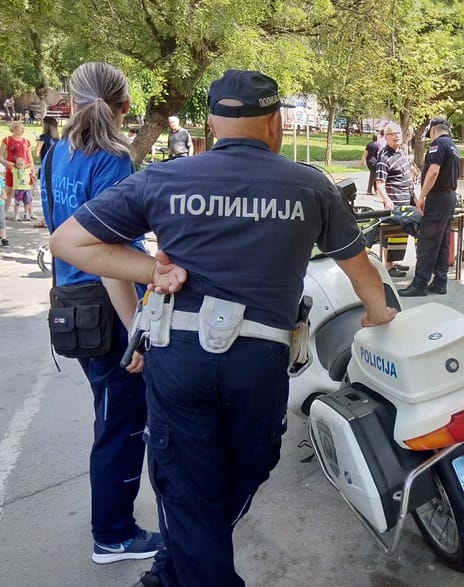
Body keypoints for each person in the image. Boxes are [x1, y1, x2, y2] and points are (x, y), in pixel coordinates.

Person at [50, 68, 397, 587]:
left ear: (210, 124)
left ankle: (173, 570)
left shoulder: (163, 178)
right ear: (276, 123)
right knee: (245, 467)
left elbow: (68, 243)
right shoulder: (309, 185)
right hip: (258, 366)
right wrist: (379, 317)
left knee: (190, 487)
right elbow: (362, 271)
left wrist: (154, 271)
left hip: (179, 360)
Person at [40, 62, 163, 566]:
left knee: (109, 415)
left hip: (73, 308)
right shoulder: (112, 158)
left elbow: (61, 235)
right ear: (126, 105)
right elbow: (109, 254)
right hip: (109, 312)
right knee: (120, 424)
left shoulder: (55, 153)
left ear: (70, 101)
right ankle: (112, 534)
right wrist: (136, 329)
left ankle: (112, 525)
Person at [398, 117, 460, 297]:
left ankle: (420, 284)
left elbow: (433, 172)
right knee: (442, 242)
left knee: (428, 241)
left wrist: (422, 196)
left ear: (433, 131)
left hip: (438, 197)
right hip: (449, 197)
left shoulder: (438, 145)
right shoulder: (453, 146)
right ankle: (440, 281)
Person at [375, 121, 416, 277]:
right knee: (390, 233)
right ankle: (389, 265)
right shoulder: (384, 157)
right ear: (386, 137)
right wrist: (386, 199)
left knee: (401, 233)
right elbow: (379, 183)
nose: (397, 136)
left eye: (399, 133)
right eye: (393, 134)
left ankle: (395, 262)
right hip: (395, 201)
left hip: (408, 198)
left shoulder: (402, 151)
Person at [1, 120, 34, 217]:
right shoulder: (7, 140)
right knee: (10, 190)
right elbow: (0, 155)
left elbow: (29, 156)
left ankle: (30, 213)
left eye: (23, 128)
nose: (22, 129)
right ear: (14, 129)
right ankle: (4, 212)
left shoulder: (26, 141)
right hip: (12, 169)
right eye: (20, 127)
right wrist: (5, 162)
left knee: (27, 190)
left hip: (25, 170)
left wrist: (32, 167)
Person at [11, 157, 36, 221]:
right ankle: (16, 215)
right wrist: (15, 164)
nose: (19, 166)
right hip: (18, 189)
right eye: (18, 164)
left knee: (27, 202)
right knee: (17, 203)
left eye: (21, 164)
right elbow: (10, 165)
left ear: (24, 165)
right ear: (16, 165)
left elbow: (31, 165)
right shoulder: (14, 170)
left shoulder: (27, 170)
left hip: (27, 189)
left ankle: (26, 214)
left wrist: (25, 165)